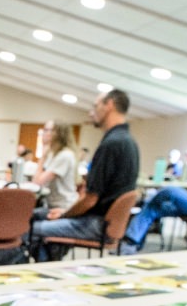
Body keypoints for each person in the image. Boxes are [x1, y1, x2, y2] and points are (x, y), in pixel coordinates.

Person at [29, 89, 139, 261]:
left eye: (95, 106)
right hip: (108, 223)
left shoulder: (111, 144)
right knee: (36, 217)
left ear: (109, 105)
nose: (91, 112)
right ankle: (50, 264)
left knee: (27, 229)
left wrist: (64, 215)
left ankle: (44, 274)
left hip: (96, 224)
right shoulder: (129, 142)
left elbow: (90, 199)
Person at [32, 121, 80, 213]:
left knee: (27, 219)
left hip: (63, 207)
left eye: (47, 130)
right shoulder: (53, 154)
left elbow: (37, 182)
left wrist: (42, 157)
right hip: (51, 204)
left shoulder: (64, 155)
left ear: (58, 134)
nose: (44, 133)